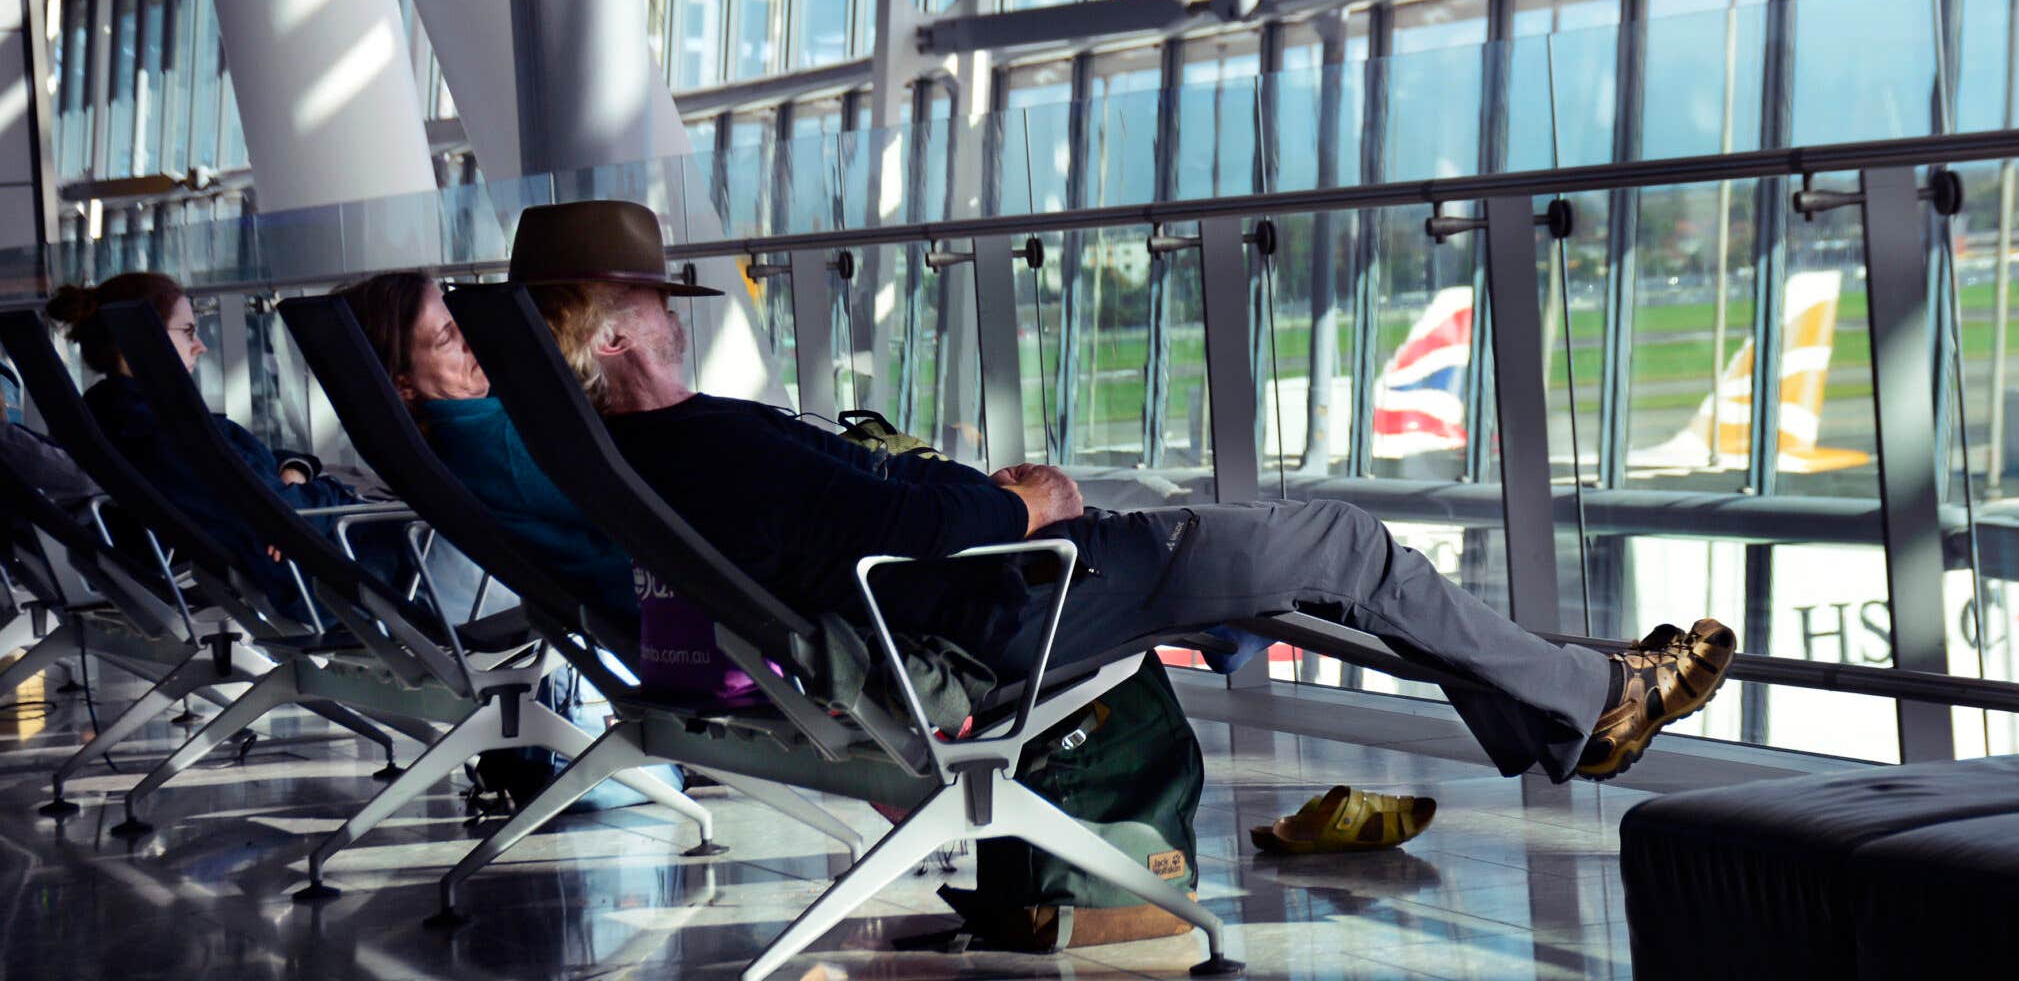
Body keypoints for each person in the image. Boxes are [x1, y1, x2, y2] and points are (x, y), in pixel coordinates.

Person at [512, 200, 1735, 784]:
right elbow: (914, 526)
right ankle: (1585, 694)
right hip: (1002, 605)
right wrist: (1025, 506)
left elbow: (858, 519)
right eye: (657, 302)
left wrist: (971, 505)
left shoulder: (650, 457)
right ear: (614, 336)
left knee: (1298, 581)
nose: (675, 315)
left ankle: (1574, 703)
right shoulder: (708, 447)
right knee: (1340, 545)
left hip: (962, 597)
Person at [46, 273, 414, 616]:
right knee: (418, 530)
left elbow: (262, 486)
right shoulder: (164, 434)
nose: (200, 346)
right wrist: (316, 496)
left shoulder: (109, 417)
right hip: (332, 579)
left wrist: (296, 473)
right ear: (138, 340)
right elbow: (279, 515)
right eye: (188, 332)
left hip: (303, 546)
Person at [334, 271, 634, 629]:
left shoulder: (442, 438)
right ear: (405, 384)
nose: (468, 338)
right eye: (447, 338)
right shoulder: (498, 443)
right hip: (643, 597)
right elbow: (628, 504)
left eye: (458, 321)